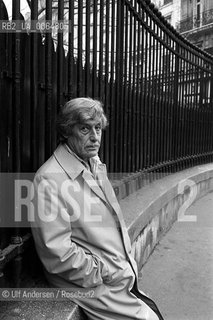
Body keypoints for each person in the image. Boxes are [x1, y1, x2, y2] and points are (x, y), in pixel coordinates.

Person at [31, 97, 164, 320]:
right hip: (98, 285)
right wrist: (103, 272)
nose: (95, 137)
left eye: (98, 128)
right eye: (85, 129)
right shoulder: (49, 179)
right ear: (66, 131)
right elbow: (56, 253)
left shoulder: (93, 163)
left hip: (120, 277)